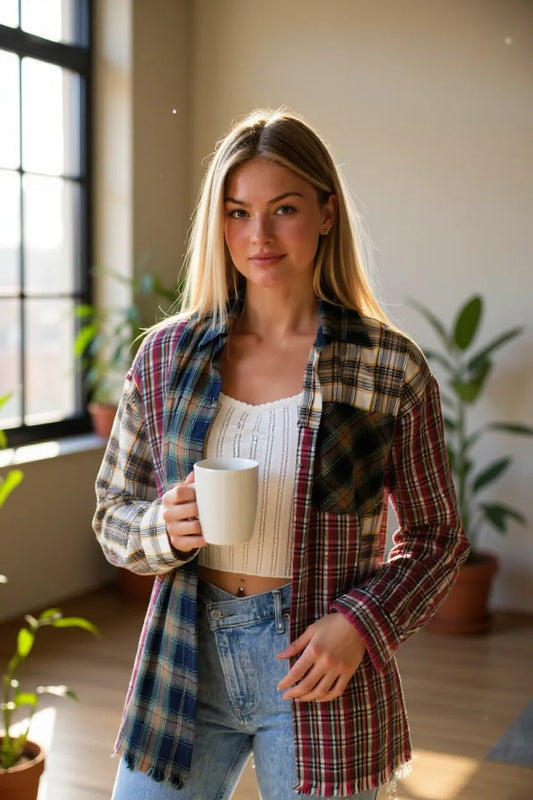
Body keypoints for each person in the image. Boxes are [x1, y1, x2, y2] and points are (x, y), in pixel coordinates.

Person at [93, 108, 469, 800]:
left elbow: (435, 537)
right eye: (237, 213)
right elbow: (114, 513)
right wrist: (160, 529)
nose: (257, 236)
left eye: (283, 209)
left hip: (319, 670)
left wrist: (361, 625)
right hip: (183, 661)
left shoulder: (388, 366)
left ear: (326, 213)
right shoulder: (166, 357)